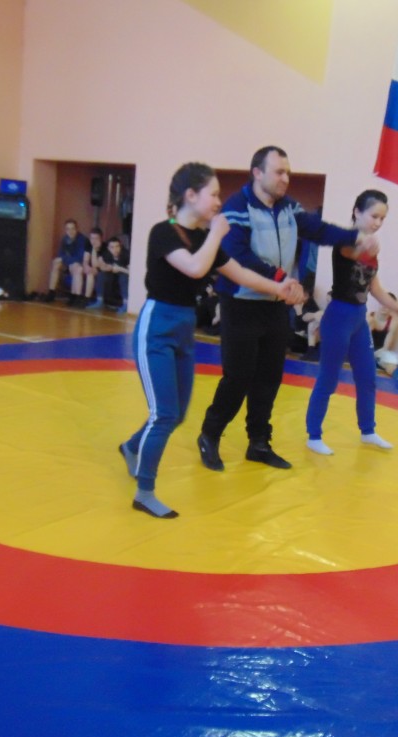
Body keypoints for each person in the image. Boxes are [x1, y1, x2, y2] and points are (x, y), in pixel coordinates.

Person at [119, 162, 300, 519]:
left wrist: (279, 288)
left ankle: (131, 447)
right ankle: (144, 492)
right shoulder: (164, 232)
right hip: (157, 327)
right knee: (164, 413)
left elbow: (240, 273)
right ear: (190, 195)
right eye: (214, 194)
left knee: (177, 414)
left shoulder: (205, 239)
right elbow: (194, 268)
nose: (220, 201)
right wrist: (217, 233)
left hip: (184, 328)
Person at [197, 146, 379, 471]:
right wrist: (281, 278)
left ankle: (259, 442)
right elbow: (239, 256)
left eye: (288, 172)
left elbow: (319, 230)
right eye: (279, 172)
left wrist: (355, 236)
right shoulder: (237, 208)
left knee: (269, 376)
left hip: (276, 305)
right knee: (238, 377)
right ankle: (210, 435)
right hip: (241, 304)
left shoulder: (289, 207)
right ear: (257, 173)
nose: (285, 178)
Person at [305, 190, 398, 456]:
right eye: (374, 216)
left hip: (358, 319)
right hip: (338, 317)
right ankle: (314, 435)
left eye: (382, 219)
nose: (378, 223)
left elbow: (375, 288)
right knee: (328, 378)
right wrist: (365, 245)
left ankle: (368, 430)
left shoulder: (372, 248)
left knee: (367, 378)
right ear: (357, 212)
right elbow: (351, 252)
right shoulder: (346, 240)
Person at [44, 219, 89, 306]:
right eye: (68, 229)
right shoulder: (64, 239)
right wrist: (63, 259)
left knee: (76, 267)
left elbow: (80, 257)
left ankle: (75, 296)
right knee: (55, 263)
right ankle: (51, 292)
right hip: (68, 262)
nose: (70, 231)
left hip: (79, 263)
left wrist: (65, 259)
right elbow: (60, 254)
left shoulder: (82, 240)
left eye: (72, 229)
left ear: (77, 229)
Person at [368, 292, 398, 379]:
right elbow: (363, 342)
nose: (384, 307)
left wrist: (380, 355)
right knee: (384, 362)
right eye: (382, 304)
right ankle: (380, 363)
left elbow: (386, 347)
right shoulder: (369, 317)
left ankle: (388, 369)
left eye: (388, 306)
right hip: (365, 351)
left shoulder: (393, 323)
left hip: (380, 353)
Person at [87, 236, 130, 313]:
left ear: (120, 246)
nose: (115, 250)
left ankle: (126, 304)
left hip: (124, 274)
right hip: (112, 275)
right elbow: (98, 265)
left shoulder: (126, 255)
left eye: (117, 246)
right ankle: (99, 301)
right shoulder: (106, 254)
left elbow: (133, 273)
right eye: (112, 247)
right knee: (101, 274)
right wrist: (107, 267)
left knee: (123, 277)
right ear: (108, 248)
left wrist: (120, 268)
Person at [82, 227, 105, 304]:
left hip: (102, 269)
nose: (93, 241)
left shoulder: (104, 247)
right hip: (92, 268)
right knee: (87, 271)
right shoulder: (88, 244)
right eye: (92, 238)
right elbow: (85, 260)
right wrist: (86, 266)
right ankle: (79, 297)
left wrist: (94, 249)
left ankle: (87, 299)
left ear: (101, 239)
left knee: (90, 274)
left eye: (96, 238)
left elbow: (96, 265)